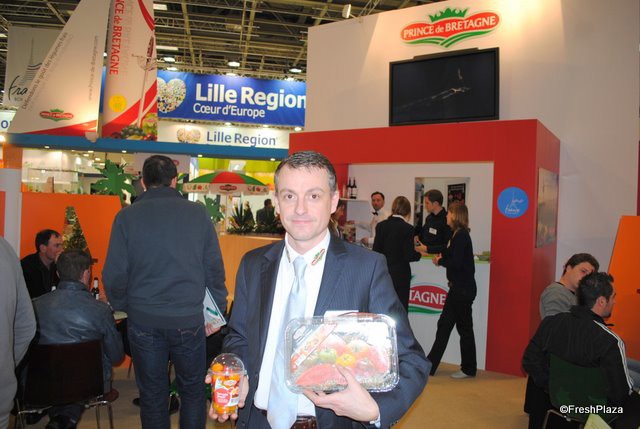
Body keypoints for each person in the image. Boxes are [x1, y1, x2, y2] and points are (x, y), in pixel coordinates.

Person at [209, 151, 430, 428]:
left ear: (333, 201)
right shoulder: (253, 265)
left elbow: (410, 360)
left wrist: (375, 409)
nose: (300, 209)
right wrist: (237, 368)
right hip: (256, 420)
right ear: (277, 202)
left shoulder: (366, 269)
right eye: (289, 196)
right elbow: (239, 336)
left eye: (313, 196)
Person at [103, 154, 228, 429]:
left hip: (143, 319)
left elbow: (114, 274)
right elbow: (214, 269)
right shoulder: (198, 214)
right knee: (193, 391)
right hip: (189, 319)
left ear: (143, 182)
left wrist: (126, 306)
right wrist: (216, 312)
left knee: (152, 394)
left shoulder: (126, 217)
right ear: (175, 180)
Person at [523, 272, 640, 429]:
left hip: (560, 400)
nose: (615, 301)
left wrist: (551, 386)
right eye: (613, 297)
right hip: (598, 410)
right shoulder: (611, 341)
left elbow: (529, 361)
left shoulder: (551, 323)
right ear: (601, 301)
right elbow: (620, 394)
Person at [32, 250, 124, 429]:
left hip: (42, 382)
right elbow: (116, 356)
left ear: (58, 274)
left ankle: (62, 418)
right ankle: (65, 418)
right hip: (90, 382)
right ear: (86, 274)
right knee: (76, 379)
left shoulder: (34, 306)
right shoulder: (100, 310)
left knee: (62, 384)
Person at [427, 202, 477, 379]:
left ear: (456, 215)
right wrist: (438, 255)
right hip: (459, 290)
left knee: (458, 328)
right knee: (448, 326)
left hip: (462, 291)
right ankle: (431, 365)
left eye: (449, 213)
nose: (447, 216)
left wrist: (440, 261)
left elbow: (456, 262)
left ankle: (466, 368)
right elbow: (449, 252)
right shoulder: (456, 234)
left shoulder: (461, 236)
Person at [0, 236, 37, 429]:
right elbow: (26, 326)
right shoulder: (6, 251)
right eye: (57, 245)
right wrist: (6, 364)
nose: (60, 249)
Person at [373, 196, 425, 312]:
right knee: (400, 309)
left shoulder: (381, 226)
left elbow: (376, 252)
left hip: (383, 273)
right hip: (401, 276)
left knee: (383, 307)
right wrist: (419, 254)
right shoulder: (408, 229)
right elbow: (409, 255)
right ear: (408, 211)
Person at [539, 253, 599, 319]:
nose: (585, 277)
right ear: (569, 268)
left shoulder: (577, 295)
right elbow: (557, 324)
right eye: (583, 271)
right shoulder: (555, 292)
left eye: (589, 276)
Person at [21, 229, 63, 298]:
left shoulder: (60, 265)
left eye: (62, 245)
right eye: (57, 245)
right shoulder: (26, 267)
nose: (61, 249)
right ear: (43, 248)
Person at [416, 189, 451, 254]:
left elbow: (447, 246)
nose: (425, 206)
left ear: (435, 204)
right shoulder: (429, 218)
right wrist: (417, 239)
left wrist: (427, 249)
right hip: (425, 256)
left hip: (439, 258)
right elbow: (422, 235)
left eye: (427, 203)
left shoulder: (447, 220)